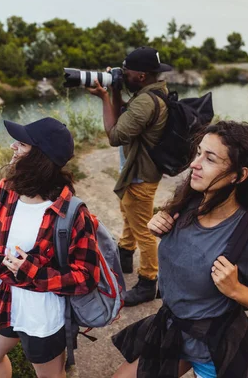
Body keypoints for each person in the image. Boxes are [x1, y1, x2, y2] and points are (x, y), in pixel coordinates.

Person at [111, 121, 248, 378]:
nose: (194, 164)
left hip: (213, 351)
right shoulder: (187, 203)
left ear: (239, 175)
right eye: (198, 153)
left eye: (209, 158)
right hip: (173, 331)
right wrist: (159, 223)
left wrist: (236, 290)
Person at [0, 117, 100, 378]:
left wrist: (32, 270)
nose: (13, 147)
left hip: (42, 319)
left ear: (40, 157)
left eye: (21, 143)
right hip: (5, 301)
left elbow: (86, 278)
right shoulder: (7, 190)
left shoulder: (72, 213)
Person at [87, 46, 173, 306]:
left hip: (140, 175)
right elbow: (126, 117)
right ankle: (125, 254)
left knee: (144, 229)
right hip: (139, 172)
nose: (123, 76)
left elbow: (115, 135)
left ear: (142, 75)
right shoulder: (151, 93)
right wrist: (113, 90)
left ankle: (149, 281)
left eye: (127, 73)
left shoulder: (147, 100)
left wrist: (104, 98)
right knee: (130, 213)